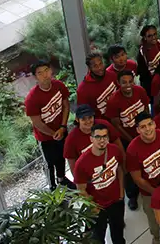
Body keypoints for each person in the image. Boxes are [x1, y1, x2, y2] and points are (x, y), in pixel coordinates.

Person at [126, 112, 160, 244]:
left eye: (150, 124)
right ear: (138, 130)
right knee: (155, 221)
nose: (148, 129)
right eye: (143, 127)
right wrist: (156, 192)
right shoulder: (132, 149)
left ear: (154, 123)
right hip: (150, 192)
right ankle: (157, 239)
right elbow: (137, 179)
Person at [74, 123, 126, 244]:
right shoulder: (82, 163)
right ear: (91, 139)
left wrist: (121, 192)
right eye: (98, 137)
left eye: (105, 136)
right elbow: (81, 189)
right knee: (98, 236)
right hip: (97, 206)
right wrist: (94, 206)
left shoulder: (114, 150)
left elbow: (119, 170)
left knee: (118, 232)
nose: (102, 140)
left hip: (116, 201)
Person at [106, 69, 150, 209]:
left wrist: (146, 128)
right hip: (127, 138)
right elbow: (116, 125)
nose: (128, 85)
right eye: (124, 82)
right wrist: (132, 138)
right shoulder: (114, 100)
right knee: (129, 167)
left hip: (143, 133)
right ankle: (131, 195)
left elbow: (146, 110)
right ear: (118, 83)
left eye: (130, 81)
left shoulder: (140, 91)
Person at [24, 60, 71, 191]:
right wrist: (53, 134)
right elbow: (37, 123)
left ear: (51, 70)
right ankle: (52, 188)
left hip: (61, 129)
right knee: (50, 163)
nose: (45, 75)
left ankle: (62, 179)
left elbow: (66, 105)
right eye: (40, 73)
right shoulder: (32, 99)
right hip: (45, 138)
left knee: (62, 156)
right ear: (35, 77)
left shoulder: (59, 85)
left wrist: (62, 127)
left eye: (46, 70)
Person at [64, 104, 123, 176]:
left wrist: (124, 167)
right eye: (83, 119)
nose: (88, 121)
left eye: (90, 117)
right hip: (92, 175)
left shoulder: (104, 125)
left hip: (112, 167)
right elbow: (73, 166)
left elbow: (118, 145)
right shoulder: (71, 140)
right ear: (77, 119)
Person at [77, 52, 118, 118]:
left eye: (100, 64)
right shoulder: (82, 90)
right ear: (89, 68)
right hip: (102, 123)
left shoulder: (112, 75)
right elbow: (84, 113)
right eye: (95, 66)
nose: (99, 68)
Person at [137, 25, 160, 97]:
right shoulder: (142, 52)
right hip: (152, 83)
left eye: (155, 34)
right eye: (149, 36)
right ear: (145, 38)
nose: (153, 37)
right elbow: (143, 74)